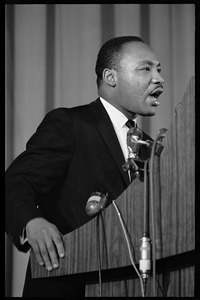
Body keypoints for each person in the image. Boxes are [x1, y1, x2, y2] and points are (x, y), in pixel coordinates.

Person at [5, 36, 164, 297]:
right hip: (67, 283)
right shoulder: (70, 124)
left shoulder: (150, 147)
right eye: (146, 68)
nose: (159, 78)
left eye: (159, 69)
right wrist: (32, 222)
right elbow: (15, 182)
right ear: (111, 77)